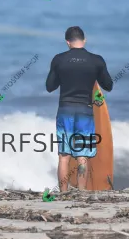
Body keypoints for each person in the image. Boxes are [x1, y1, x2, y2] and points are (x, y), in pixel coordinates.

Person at [45, 26, 113, 191]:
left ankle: (63, 193)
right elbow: (108, 85)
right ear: (84, 40)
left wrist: (63, 76)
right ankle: (81, 192)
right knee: (82, 155)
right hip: (85, 112)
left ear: (67, 42)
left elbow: (49, 87)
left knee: (64, 156)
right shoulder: (96, 60)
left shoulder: (59, 60)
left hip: (65, 111)